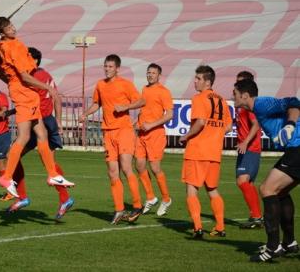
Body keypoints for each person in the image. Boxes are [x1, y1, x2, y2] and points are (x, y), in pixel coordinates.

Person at [0, 16, 74, 198]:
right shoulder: (13, 47)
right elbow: (24, 76)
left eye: (12, 24)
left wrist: (10, 81)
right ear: (2, 32)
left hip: (24, 91)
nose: (13, 28)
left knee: (41, 133)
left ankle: (52, 175)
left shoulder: (0, 46)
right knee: (24, 136)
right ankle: (6, 177)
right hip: (24, 92)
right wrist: (47, 88)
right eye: (8, 27)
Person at [233, 79, 299, 262]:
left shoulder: (261, 104)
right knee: (281, 191)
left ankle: (272, 247)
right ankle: (289, 242)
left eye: (235, 93)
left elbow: (294, 102)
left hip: (298, 148)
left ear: (245, 95)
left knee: (266, 189)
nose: (233, 97)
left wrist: (290, 125)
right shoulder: (256, 110)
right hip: (295, 149)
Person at [6, 47, 74, 219]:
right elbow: (55, 96)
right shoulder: (44, 75)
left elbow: (41, 99)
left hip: (40, 121)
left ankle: (29, 197)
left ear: (34, 60)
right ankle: (26, 198)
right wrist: (57, 120)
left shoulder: (33, 76)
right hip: (39, 120)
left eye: (26, 57)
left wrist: (56, 122)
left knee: (43, 162)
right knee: (19, 157)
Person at [79, 54, 145, 224]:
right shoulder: (100, 85)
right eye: (105, 66)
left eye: (110, 66)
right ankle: (119, 209)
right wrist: (85, 114)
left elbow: (141, 101)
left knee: (125, 167)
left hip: (124, 130)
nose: (107, 69)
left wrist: (126, 106)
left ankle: (137, 205)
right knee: (112, 172)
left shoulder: (125, 84)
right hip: (108, 132)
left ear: (117, 68)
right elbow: (96, 103)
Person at [179, 65, 232, 239]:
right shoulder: (222, 100)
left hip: (198, 151)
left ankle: (198, 228)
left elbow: (200, 122)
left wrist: (186, 136)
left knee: (191, 190)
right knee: (212, 189)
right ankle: (220, 227)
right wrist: (215, 135)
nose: (195, 81)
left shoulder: (199, 98)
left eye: (198, 78)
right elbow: (229, 126)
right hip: (214, 152)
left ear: (207, 82)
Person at [135, 63, 174, 216]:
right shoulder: (144, 89)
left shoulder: (164, 92)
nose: (150, 75)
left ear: (159, 75)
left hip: (155, 134)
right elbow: (144, 110)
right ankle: (151, 197)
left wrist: (151, 124)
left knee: (155, 168)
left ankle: (166, 198)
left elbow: (169, 114)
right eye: (148, 72)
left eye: (153, 73)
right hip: (141, 134)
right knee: (138, 165)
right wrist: (137, 121)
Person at [234, 71, 263, 229]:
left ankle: (257, 216)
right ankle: (255, 217)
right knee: (246, 182)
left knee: (242, 181)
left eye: (240, 82)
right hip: (245, 147)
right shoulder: (240, 104)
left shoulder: (249, 105)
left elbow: (256, 124)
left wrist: (245, 142)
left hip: (251, 147)